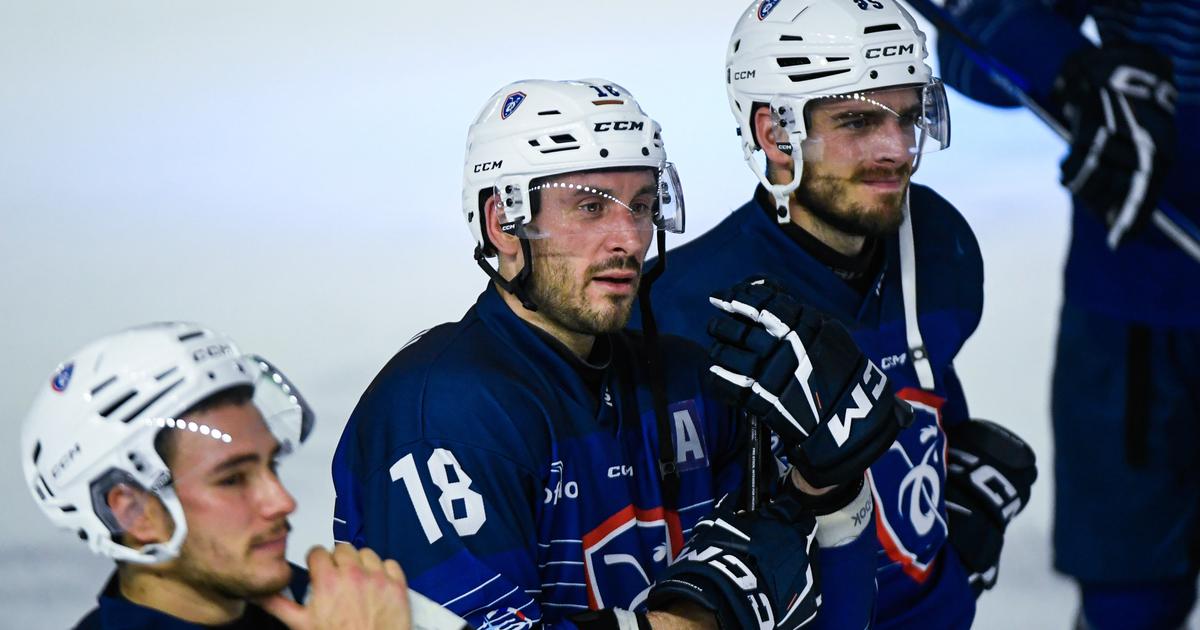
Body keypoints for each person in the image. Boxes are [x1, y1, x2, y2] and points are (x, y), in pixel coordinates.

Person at [331, 78, 914, 629]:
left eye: (639, 205)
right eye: (590, 207)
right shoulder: (444, 414)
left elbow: (826, 613)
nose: (630, 238)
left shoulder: (692, 383)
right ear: (504, 225)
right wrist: (695, 622)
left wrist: (831, 489)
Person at [640, 0, 1038, 627]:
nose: (896, 149)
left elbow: (926, 390)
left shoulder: (940, 242)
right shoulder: (680, 310)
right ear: (775, 134)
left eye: (908, 117)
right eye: (856, 121)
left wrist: (955, 507)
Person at [936, 1, 1199, 627]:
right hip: (1135, 309)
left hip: (1135, 293)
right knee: (1127, 601)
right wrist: (1072, 70)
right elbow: (969, 32)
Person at [20, 322, 415, 630]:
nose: (282, 500)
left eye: (271, 465)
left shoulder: (336, 600)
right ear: (134, 512)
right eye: (232, 479)